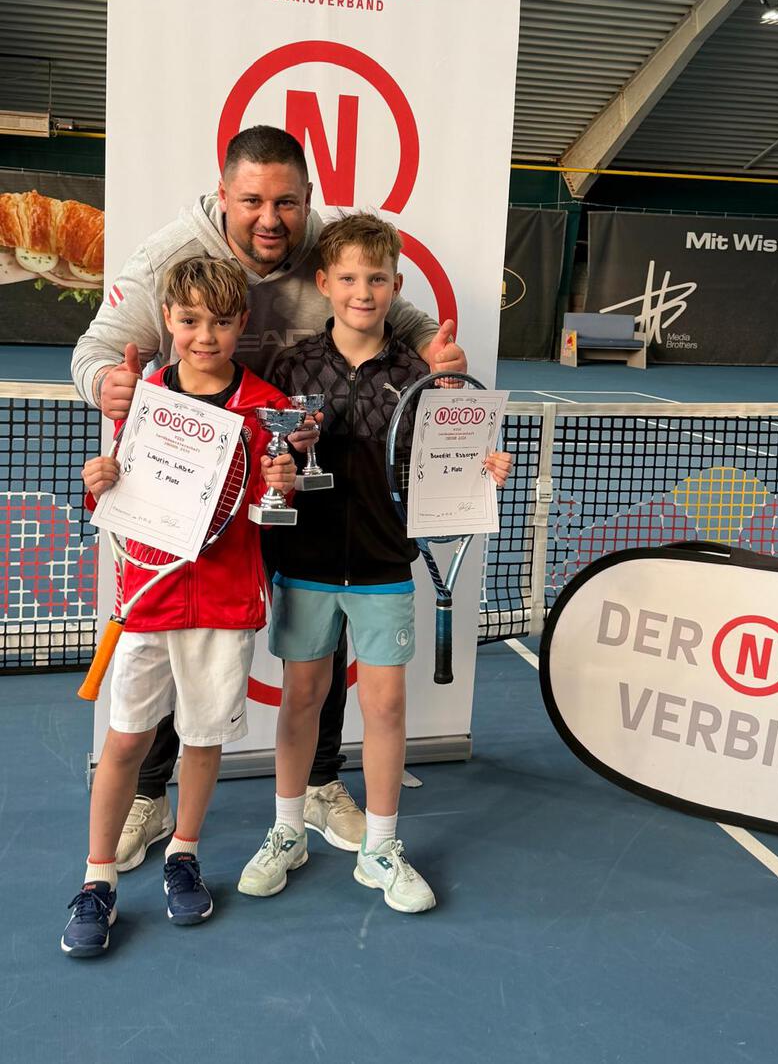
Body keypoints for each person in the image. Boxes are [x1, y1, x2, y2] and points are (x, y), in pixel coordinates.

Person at [71, 125, 467, 871]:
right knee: (175, 629)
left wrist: (434, 354)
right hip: (187, 484)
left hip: (288, 475)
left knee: (321, 643)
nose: (270, 217)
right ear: (223, 194)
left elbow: (398, 313)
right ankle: (151, 797)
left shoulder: (328, 248)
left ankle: (318, 784)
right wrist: (108, 384)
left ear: (308, 200)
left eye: (286, 202)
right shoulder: (165, 257)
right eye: (251, 200)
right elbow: (95, 352)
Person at [237, 213, 511, 912]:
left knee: (386, 705)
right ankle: (287, 830)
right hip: (305, 562)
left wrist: (483, 469)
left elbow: (441, 469)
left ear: (397, 284)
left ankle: (382, 847)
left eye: (378, 279)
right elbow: (270, 460)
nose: (364, 292)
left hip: (385, 564)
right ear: (324, 284)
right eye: (350, 278)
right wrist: (280, 466)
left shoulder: (422, 375)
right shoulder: (291, 368)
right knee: (302, 697)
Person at [62, 258, 296, 956]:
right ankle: (97, 877)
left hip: (222, 605)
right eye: (190, 321)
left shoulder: (265, 408)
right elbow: (120, 493)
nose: (205, 336)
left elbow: (266, 507)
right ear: (168, 319)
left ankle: (183, 853)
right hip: (149, 598)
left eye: (221, 322)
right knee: (125, 741)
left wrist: (283, 484)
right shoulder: (142, 398)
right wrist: (97, 479)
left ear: (242, 323)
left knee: (201, 738)